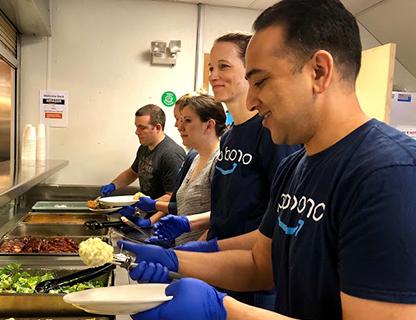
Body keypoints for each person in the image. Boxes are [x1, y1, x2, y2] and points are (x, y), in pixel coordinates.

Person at [118, 1, 416, 319]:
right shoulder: (295, 167)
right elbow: (262, 264)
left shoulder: (388, 175)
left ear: (319, 72)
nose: (250, 100)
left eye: (260, 82)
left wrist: (223, 311)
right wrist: (175, 261)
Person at [145, 32, 300, 307]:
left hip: (254, 276)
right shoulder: (229, 137)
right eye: (211, 68)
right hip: (222, 265)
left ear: (249, 70)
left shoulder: (271, 134)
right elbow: (229, 207)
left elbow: (279, 221)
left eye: (224, 66)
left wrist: (206, 248)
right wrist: (192, 225)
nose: (214, 75)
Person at [124, 95, 226, 244]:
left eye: (187, 121)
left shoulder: (219, 162)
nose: (179, 126)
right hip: (183, 251)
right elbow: (183, 207)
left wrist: (194, 248)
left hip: (200, 257)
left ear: (209, 125)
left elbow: (222, 217)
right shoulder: (195, 158)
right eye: (180, 120)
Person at [99, 104, 185, 203]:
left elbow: (172, 197)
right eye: (136, 127)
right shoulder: (144, 147)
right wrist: (114, 185)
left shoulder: (171, 155)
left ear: (157, 128)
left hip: (160, 216)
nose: (137, 132)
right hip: (147, 212)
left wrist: (149, 206)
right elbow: (132, 172)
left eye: (142, 128)